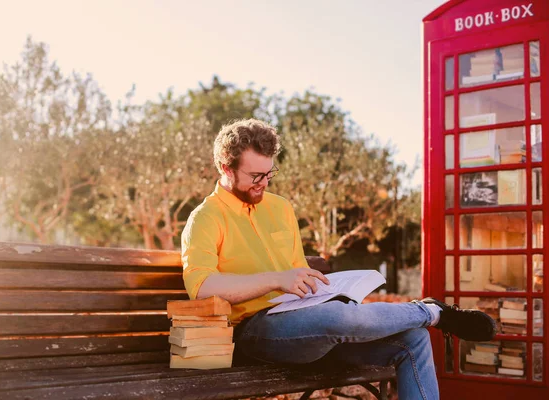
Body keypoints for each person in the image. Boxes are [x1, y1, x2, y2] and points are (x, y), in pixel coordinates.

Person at [181, 119, 496, 400]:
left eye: (269, 173)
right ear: (226, 168)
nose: (264, 182)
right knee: (337, 318)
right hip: (252, 333)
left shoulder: (280, 207)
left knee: (413, 339)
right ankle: (431, 311)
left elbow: (298, 272)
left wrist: (322, 288)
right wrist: (278, 279)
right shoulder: (206, 218)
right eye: (255, 175)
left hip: (306, 325)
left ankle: (424, 316)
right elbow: (204, 288)